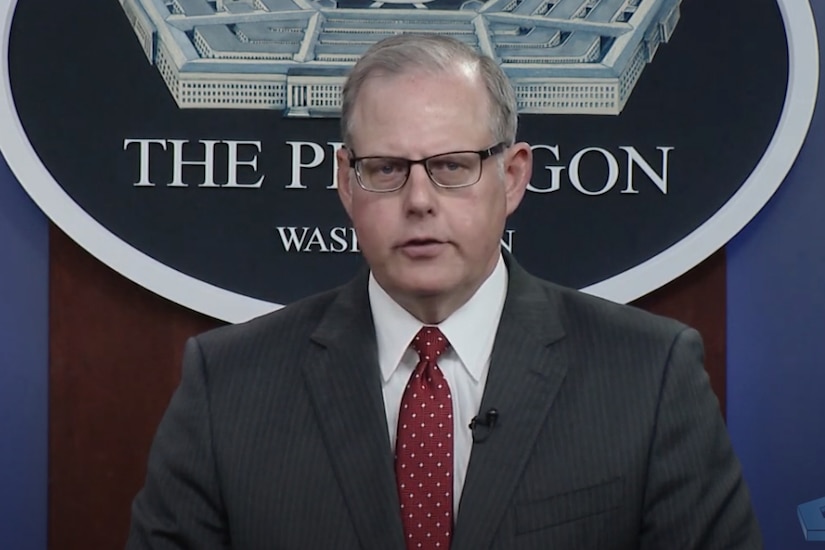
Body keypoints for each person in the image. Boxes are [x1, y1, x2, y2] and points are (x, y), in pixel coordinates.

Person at [127, 34, 762, 549]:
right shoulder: (228, 385)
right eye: (386, 169)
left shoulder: (648, 376)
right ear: (347, 183)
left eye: (452, 166)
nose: (420, 201)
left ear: (512, 178)